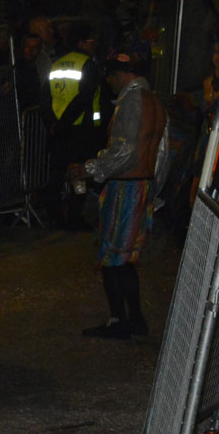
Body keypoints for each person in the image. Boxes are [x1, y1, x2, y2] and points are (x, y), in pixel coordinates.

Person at [69, 50, 168, 339]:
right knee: (123, 257)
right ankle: (132, 320)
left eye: (110, 77)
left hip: (127, 185)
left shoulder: (132, 102)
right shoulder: (156, 103)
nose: (109, 84)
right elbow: (162, 156)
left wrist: (89, 168)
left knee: (114, 257)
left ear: (120, 74)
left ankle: (123, 321)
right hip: (143, 184)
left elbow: (124, 152)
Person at [45, 23, 102, 229]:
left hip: (58, 130)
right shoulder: (87, 64)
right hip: (80, 130)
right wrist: (64, 123)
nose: (94, 45)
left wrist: (54, 124)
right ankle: (75, 217)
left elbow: (46, 98)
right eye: (91, 41)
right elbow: (83, 99)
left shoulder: (57, 64)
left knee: (57, 174)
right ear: (81, 43)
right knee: (79, 174)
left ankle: (55, 217)